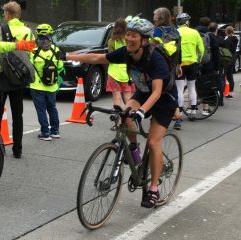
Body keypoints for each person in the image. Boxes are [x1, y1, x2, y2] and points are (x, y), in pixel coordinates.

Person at [64, 17, 178, 208]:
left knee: (153, 141)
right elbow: (98, 58)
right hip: (142, 93)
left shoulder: (155, 57)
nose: (129, 38)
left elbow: (157, 91)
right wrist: (68, 56)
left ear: (144, 40)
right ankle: (133, 149)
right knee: (124, 117)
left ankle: (153, 189)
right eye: (128, 34)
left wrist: (142, 111)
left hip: (164, 99)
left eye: (134, 35)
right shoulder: (126, 52)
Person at [0, 1, 35, 159]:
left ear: (7, 14)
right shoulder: (28, 31)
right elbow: (31, 55)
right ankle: (18, 150)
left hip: (0, 75)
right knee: (17, 114)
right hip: (18, 77)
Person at [30, 24, 64, 141]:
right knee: (52, 108)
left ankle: (45, 133)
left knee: (41, 110)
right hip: (52, 86)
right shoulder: (56, 50)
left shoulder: (33, 51)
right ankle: (55, 131)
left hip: (37, 86)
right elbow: (60, 67)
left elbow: (28, 67)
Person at [152, 7, 183, 126]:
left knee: (157, 89)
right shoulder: (176, 31)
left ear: (161, 17)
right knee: (170, 88)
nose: (153, 16)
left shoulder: (157, 31)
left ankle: (157, 116)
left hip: (159, 64)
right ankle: (177, 116)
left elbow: (152, 48)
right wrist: (179, 65)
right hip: (172, 65)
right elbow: (179, 49)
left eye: (155, 14)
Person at [175, 13, 204, 129]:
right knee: (192, 87)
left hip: (179, 65)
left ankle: (180, 114)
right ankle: (193, 112)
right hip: (192, 63)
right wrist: (198, 60)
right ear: (187, 22)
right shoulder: (194, 32)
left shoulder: (175, 32)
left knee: (179, 90)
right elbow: (201, 49)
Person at [106, 18, 132, 111]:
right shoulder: (128, 40)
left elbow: (110, 57)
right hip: (127, 72)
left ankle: (118, 121)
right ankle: (130, 118)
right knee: (128, 97)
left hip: (114, 72)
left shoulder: (111, 41)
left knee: (116, 98)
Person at [196, 17, 220, 115]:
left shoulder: (194, 33)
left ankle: (190, 106)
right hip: (208, 64)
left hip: (195, 62)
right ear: (208, 25)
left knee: (192, 84)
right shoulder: (210, 35)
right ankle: (205, 109)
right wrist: (217, 67)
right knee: (206, 85)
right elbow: (216, 52)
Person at [208, 22, 225, 106]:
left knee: (209, 81)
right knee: (219, 81)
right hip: (218, 63)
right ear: (216, 29)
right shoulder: (220, 39)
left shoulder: (206, 37)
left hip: (208, 62)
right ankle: (220, 99)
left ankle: (210, 99)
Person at [223, 26, 238, 99]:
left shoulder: (227, 40)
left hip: (227, 59)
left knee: (223, 76)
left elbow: (225, 50)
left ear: (226, 32)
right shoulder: (235, 39)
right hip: (233, 58)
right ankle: (230, 93)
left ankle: (222, 92)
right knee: (230, 76)